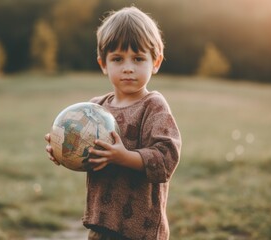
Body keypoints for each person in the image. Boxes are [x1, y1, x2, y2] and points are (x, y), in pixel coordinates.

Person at [45, 6, 181, 240]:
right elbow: (88, 157)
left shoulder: (154, 106)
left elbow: (166, 158)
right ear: (103, 64)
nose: (128, 67)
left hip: (140, 228)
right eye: (117, 59)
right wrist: (63, 150)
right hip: (102, 222)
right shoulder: (94, 109)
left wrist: (124, 156)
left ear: (155, 62)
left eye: (138, 58)